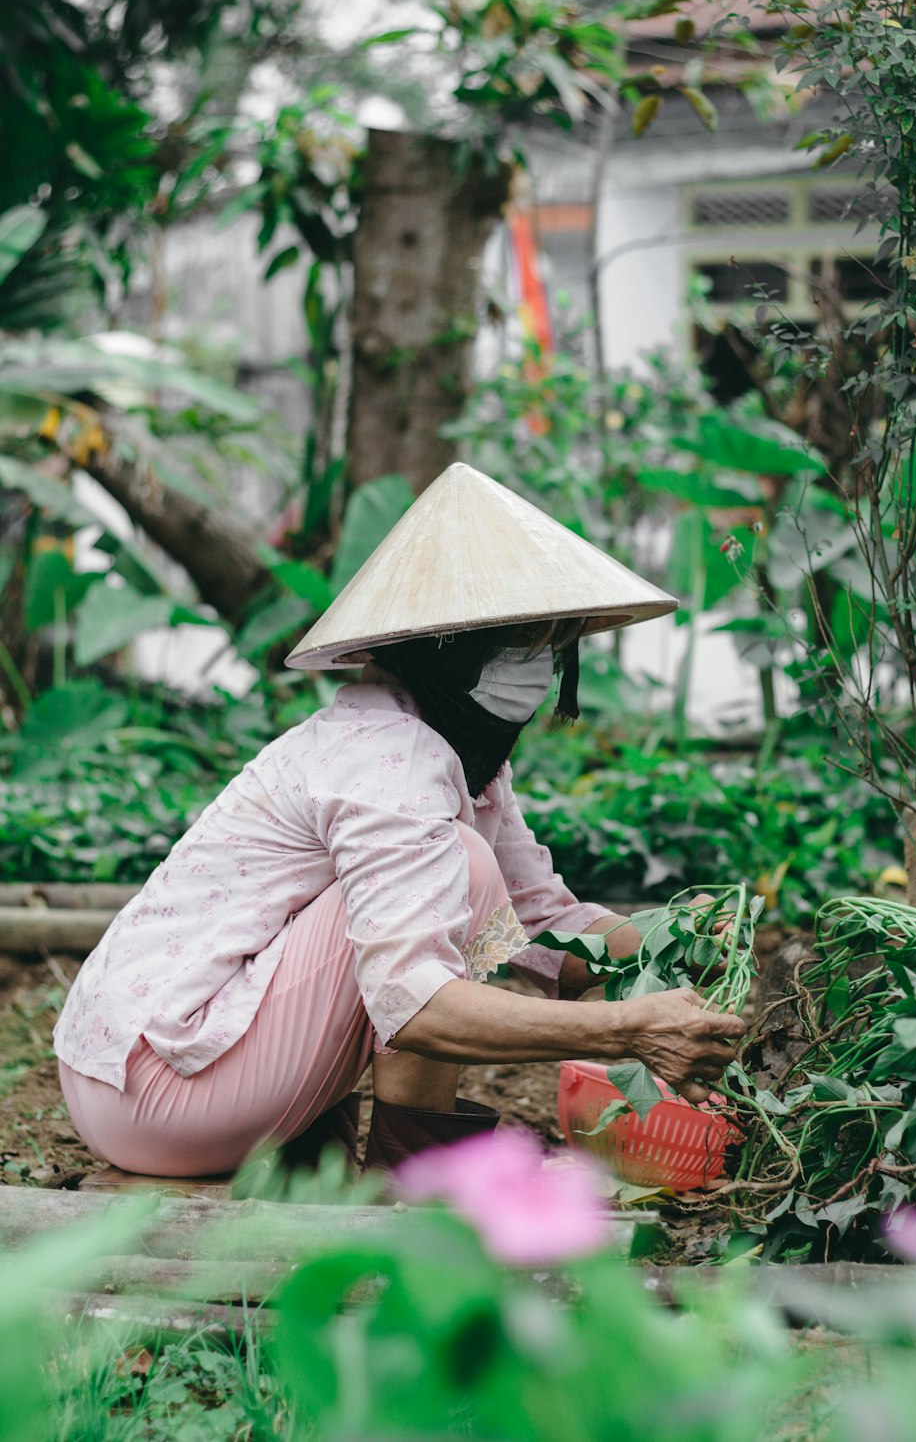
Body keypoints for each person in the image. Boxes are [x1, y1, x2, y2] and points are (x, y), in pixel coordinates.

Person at [54, 464, 744, 1176]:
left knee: (463, 872)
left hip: (128, 1078)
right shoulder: (389, 758)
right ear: (442, 650)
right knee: (462, 870)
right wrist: (628, 1030)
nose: (540, 665)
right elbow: (416, 1005)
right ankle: (410, 1182)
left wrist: (681, 940)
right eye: (520, 640)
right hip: (153, 1095)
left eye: (553, 641)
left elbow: (540, 927)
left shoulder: (449, 759)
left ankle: (330, 1161)